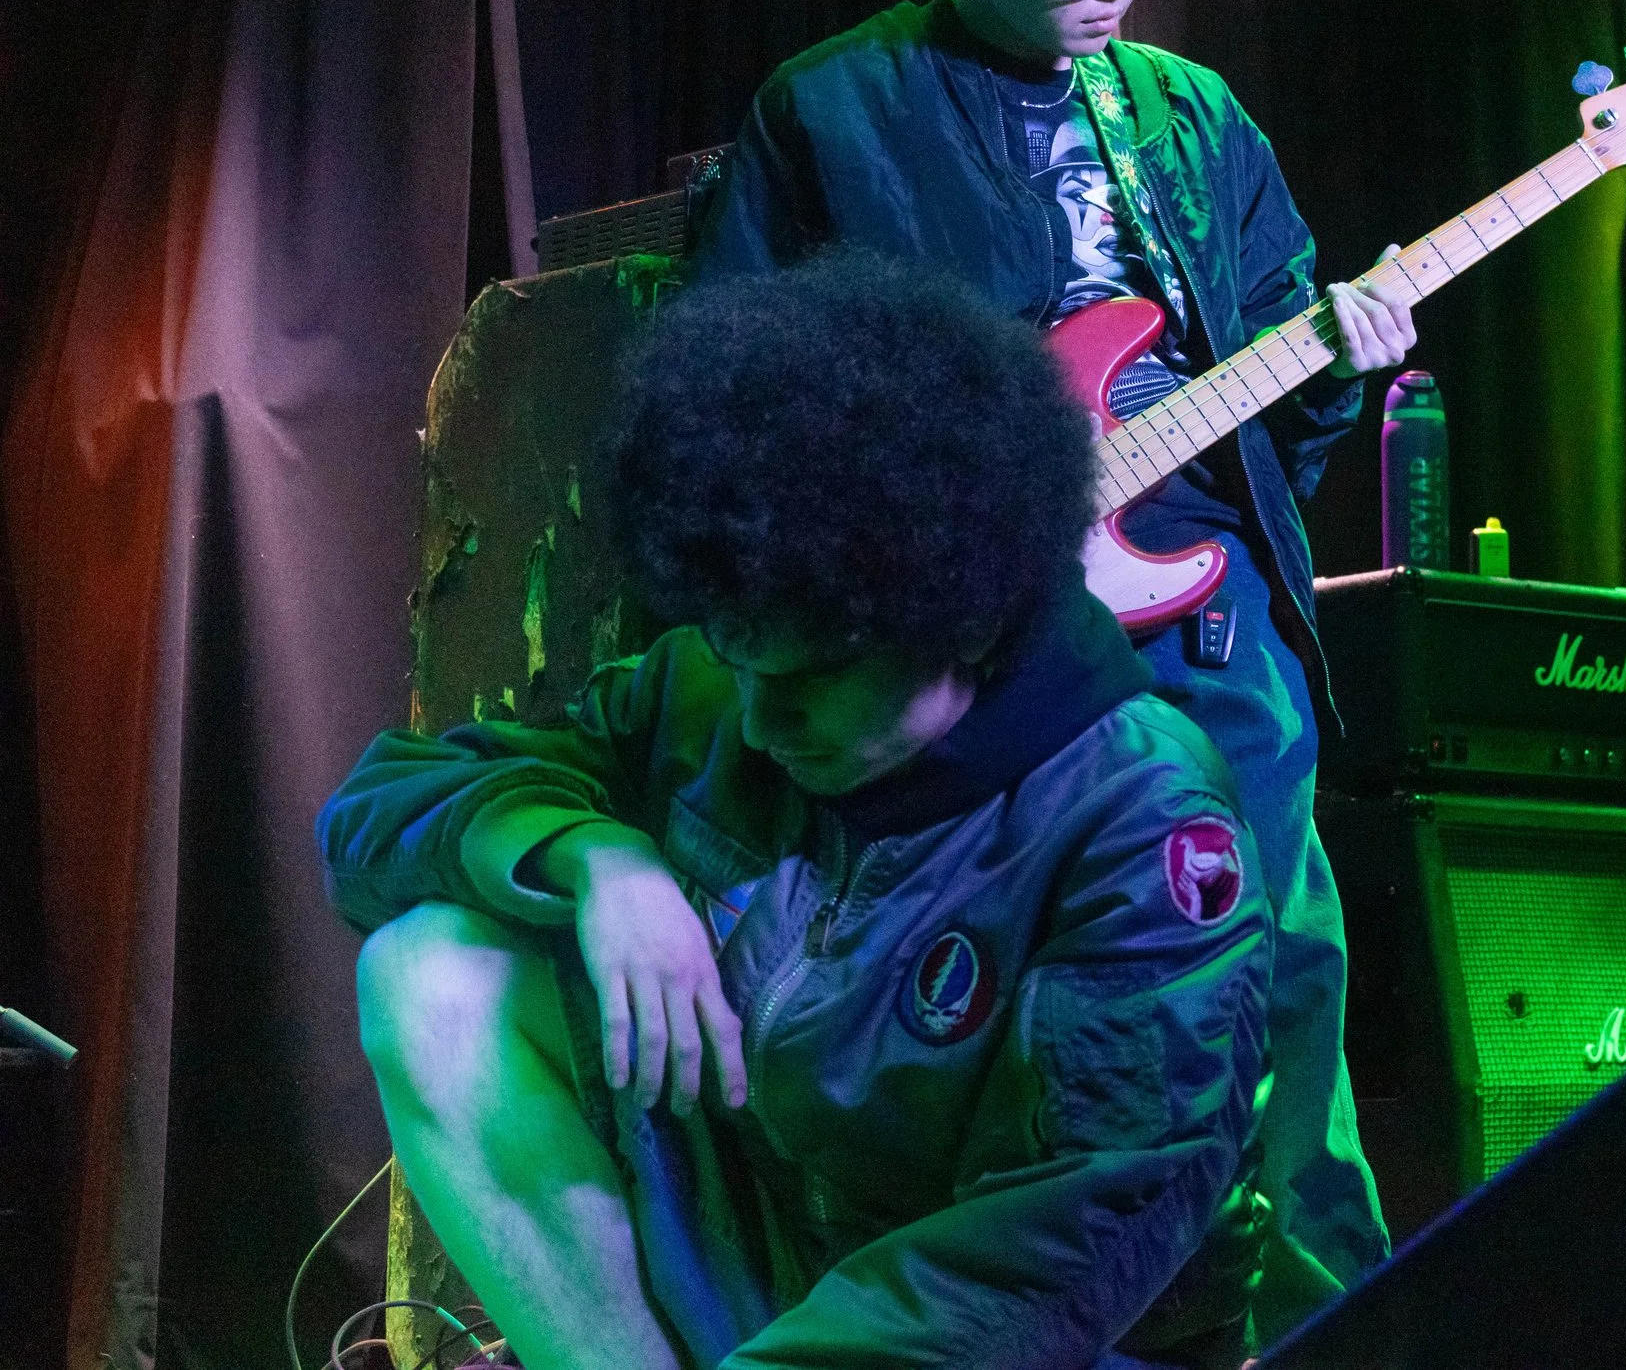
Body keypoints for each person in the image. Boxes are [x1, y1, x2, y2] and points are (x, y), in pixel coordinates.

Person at [691, 0, 1405, 1298]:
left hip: (1213, 627)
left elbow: (1288, 418)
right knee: (1023, 1045)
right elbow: (728, 403)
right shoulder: (832, 110)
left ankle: (1330, 1318)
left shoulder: (1193, 114)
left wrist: (1346, 363)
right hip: (980, 634)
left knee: (1273, 983)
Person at [323, 261, 1276, 1370]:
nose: (761, 720)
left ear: (955, 620)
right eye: (739, 658)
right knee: (430, 968)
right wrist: (595, 855)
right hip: (771, 1269)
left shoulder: (1143, 810)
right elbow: (376, 812)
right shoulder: (716, 683)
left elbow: (1077, 1233)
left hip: (1011, 1342)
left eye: (811, 679)